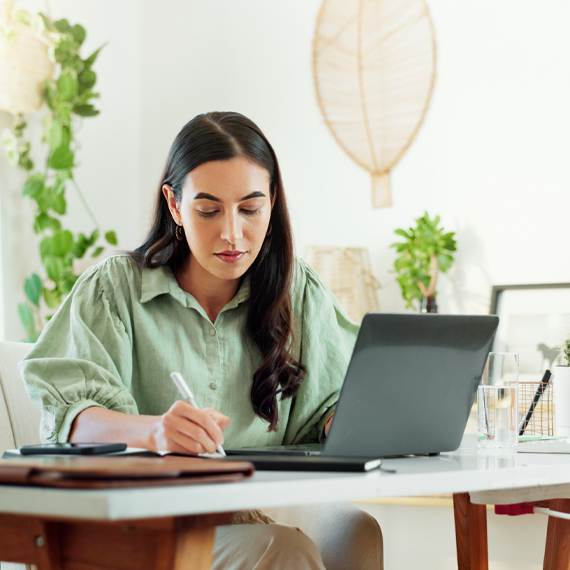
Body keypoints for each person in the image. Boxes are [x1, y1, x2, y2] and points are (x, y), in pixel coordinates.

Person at [20, 111, 383, 569]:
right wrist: (152, 433)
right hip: (128, 530)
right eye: (208, 210)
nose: (232, 233)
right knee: (282, 551)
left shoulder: (300, 295)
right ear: (174, 204)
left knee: (311, 541)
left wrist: (348, 422)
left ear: (272, 202)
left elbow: (330, 405)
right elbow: (70, 421)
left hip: (232, 522)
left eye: (250, 209)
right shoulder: (114, 289)